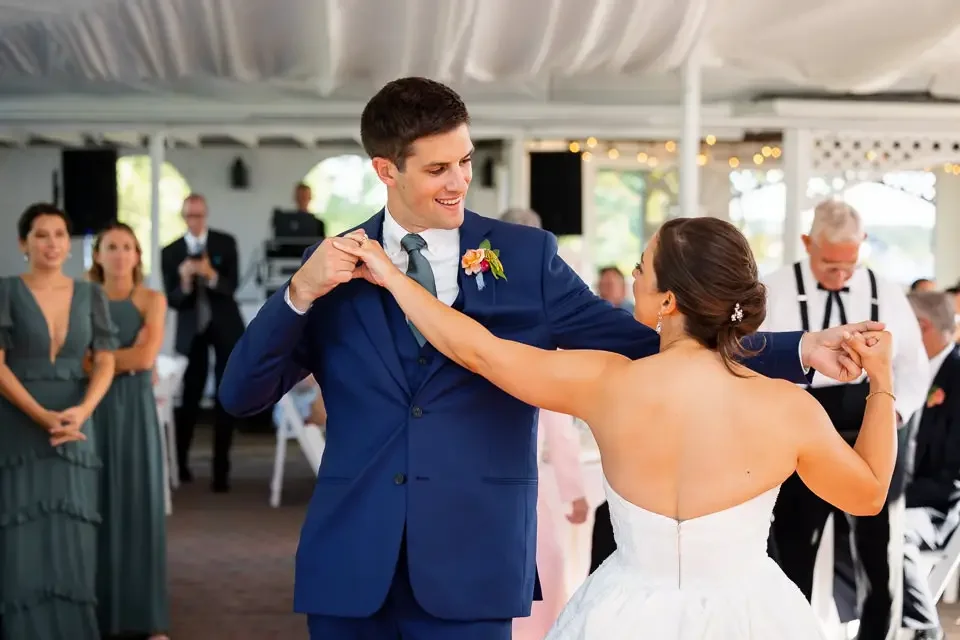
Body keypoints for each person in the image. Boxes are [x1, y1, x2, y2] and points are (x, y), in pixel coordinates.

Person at [218, 77, 882, 639]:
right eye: (439, 169)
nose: (460, 183)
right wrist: (300, 291)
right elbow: (241, 395)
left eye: (467, 161)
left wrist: (800, 349)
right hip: (351, 563)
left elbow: (655, 343)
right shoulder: (334, 266)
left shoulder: (525, 259)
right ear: (385, 170)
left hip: (473, 566)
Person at [332, 216, 896, 639]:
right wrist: (881, 382)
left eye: (641, 268)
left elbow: (478, 352)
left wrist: (391, 276)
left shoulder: (606, 383)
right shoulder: (789, 408)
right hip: (754, 616)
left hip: (622, 614)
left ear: (669, 299)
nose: (631, 277)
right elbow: (868, 494)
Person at [761, 200, 928, 638]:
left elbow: (914, 365)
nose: (841, 276)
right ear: (806, 243)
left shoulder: (885, 290)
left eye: (849, 264)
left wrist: (891, 411)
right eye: (830, 264)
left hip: (871, 429)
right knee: (793, 548)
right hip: (803, 437)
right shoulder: (774, 288)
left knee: (880, 553)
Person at [0, 203, 118, 639]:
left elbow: (105, 361)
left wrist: (82, 411)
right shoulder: (5, 290)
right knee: (18, 529)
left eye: (60, 235)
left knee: (74, 527)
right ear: (23, 243)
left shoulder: (92, 294)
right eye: (41, 235)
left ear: (70, 245)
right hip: (18, 422)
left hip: (77, 424)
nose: (52, 243)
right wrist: (40, 414)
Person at [499, 207, 589, 639]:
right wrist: (573, 491)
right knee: (542, 573)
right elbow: (556, 419)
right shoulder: (539, 317)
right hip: (525, 483)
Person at [87, 222, 170, 640]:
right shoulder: (81, 297)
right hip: (90, 408)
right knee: (93, 504)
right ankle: (93, 613)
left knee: (140, 505)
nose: (119, 254)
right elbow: (70, 361)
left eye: (127, 247)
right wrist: (125, 356)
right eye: (111, 247)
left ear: (137, 256)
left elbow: (145, 356)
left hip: (134, 410)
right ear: (97, 255)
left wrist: (101, 357)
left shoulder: (152, 299)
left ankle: (148, 617)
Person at [160, 193, 244, 492]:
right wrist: (184, 281)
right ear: (183, 217)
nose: (194, 221)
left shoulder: (224, 243)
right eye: (189, 216)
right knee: (190, 397)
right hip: (190, 331)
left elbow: (232, 286)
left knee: (225, 395)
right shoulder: (170, 252)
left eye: (199, 215)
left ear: (206, 215)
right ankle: (179, 465)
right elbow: (171, 298)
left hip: (224, 328)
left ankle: (221, 471)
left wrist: (210, 275)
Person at [901, 291, 960, 640]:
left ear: (920, 328)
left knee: (893, 532)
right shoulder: (908, 373)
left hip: (940, 507)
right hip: (903, 492)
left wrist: (893, 496)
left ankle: (925, 628)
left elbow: (953, 475)